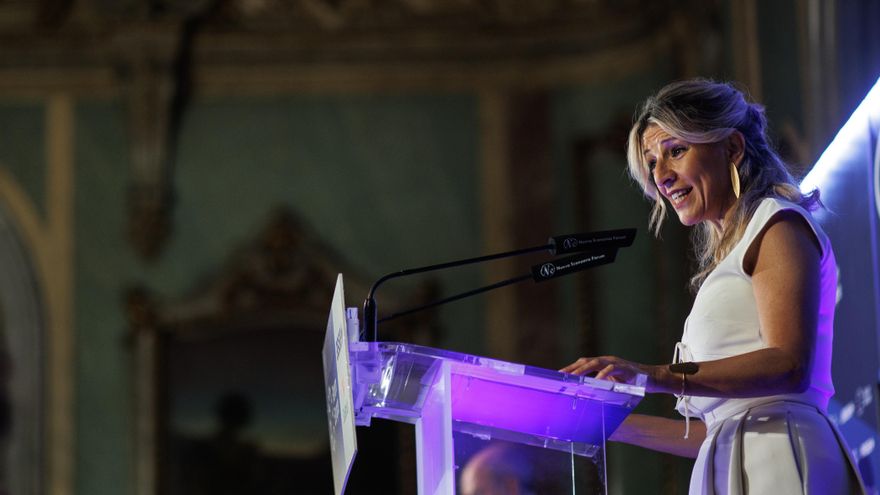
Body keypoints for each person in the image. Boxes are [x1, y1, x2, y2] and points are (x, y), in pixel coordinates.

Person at [561, 79, 866, 494]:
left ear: (733, 148)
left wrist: (652, 375)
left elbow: (789, 365)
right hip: (734, 460)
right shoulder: (730, 257)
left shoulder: (776, 225)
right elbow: (715, 429)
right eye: (652, 162)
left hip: (783, 460)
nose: (661, 176)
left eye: (676, 151)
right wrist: (602, 425)